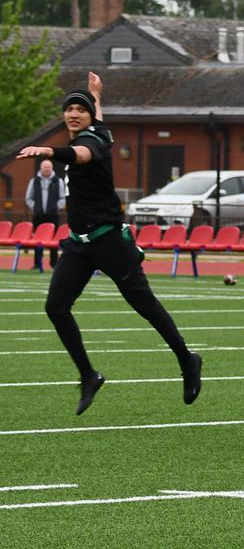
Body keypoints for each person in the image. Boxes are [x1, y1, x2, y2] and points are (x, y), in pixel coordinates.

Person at [16, 72, 202, 414]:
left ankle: (187, 358)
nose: (73, 113)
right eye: (69, 109)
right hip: (79, 244)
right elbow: (98, 119)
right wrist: (95, 94)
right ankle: (89, 375)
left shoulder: (91, 143)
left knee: (145, 306)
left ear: (87, 118)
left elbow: (82, 155)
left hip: (109, 241)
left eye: (81, 110)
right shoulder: (98, 128)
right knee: (55, 307)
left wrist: (46, 149)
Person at [24, 159, 66, 269]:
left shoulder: (58, 181)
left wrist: (56, 207)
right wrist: (36, 207)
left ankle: (54, 263)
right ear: (41, 168)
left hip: (53, 215)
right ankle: (37, 263)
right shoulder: (34, 181)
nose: (47, 169)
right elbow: (29, 198)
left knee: (53, 240)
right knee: (37, 240)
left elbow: (63, 198)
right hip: (38, 216)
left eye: (49, 167)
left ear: (51, 168)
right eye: (45, 167)